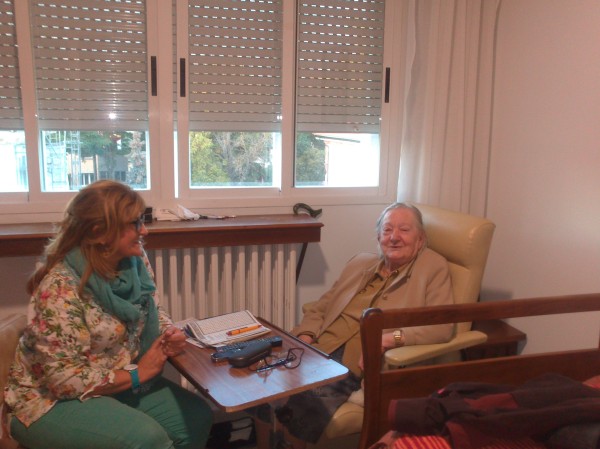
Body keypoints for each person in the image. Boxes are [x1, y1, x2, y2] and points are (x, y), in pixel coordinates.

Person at [3, 180, 213, 449]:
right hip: (47, 400)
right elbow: (62, 380)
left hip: (115, 378)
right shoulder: (60, 288)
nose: (144, 230)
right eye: (135, 223)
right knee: (147, 439)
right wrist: (139, 374)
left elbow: (152, 309)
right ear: (99, 232)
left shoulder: (135, 263)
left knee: (195, 418)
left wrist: (168, 332)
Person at [253, 202, 455, 449]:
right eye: (387, 230)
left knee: (299, 404)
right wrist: (305, 336)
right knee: (261, 385)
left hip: (353, 363)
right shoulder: (360, 263)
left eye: (404, 230)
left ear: (420, 239)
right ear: (378, 237)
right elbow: (321, 306)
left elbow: (441, 327)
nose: (394, 237)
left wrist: (389, 339)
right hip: (318, 350)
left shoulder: (432, 267)